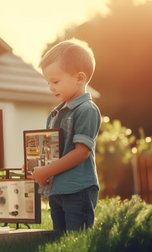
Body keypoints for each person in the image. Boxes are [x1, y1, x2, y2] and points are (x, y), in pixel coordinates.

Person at [32, 38, 101, 232]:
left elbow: (81, 153)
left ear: (79, 78)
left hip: (78, 190)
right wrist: (35, 165)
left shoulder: (87, 110)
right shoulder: (54, 114)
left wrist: (47, 171)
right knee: (59, 238)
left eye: (55, 81)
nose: (51, 88)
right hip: (57, 190)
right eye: (48, 83)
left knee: (76, 238)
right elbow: (50, 152)